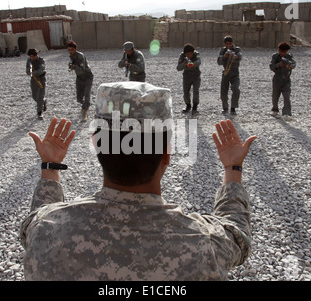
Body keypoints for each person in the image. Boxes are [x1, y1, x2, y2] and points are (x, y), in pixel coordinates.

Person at [20, 81, 257, 281]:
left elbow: (38, 217)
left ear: (95, 145)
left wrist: (50, 167)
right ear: (167, 153)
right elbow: (237, 235)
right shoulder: (205, 242)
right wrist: (232, 168)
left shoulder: (46, 229)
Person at [67, 41, 93, 122]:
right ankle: (85, 105)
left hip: (87, 76)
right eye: (69, 50)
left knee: (86, 94)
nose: (70, 51)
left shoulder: (80, 56)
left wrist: (75, 67)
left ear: (75, 49)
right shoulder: (71, 56)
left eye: (72, 49)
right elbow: (72, 65)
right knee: (79, 98)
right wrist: (71, 66)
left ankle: (85, 112)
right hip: (79, 77)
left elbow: (83, 69)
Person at [269, 42, 296, 121]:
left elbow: (294, 64)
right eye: (282, 52)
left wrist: (290, 66)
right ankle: (275, 109)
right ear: (279, 50)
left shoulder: (289, 56)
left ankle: (286, 113)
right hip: (277, 78)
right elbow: (271, 66)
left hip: (286, 78)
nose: (284, 53)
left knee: (286, 96)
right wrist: (278, 65)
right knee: (275, 95)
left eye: (285, 52)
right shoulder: (275, 56)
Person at [217, 36, 242, 115]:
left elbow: (240, 56)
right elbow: (219, 61)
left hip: (235, 73)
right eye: (227, 44)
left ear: (232, 43)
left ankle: (233, 108)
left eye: (230, 43)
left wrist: (235, 56)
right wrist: (224, 56)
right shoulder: (223, 50)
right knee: (223, 92)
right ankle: (225, 107)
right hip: (226, 72)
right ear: (224, 44)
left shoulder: (237, 49)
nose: (229, 45)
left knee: (236, 89)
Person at [177, 43, 201, 116]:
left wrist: (193, 64)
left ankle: (195, 107)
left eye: (190, 54)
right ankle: (188, 105)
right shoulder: (182, 56)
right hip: (187, 76)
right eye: (187, 54)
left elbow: (199, 61)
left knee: (195, 91)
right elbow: (178, 68)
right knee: (186, 92)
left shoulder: (196, 54)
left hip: (196, 75)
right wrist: (184, 64)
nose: (189, 56)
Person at [26, 48, 47, 120]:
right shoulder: (29, 60)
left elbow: (42, 69)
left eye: (33, 56)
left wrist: (34, 72)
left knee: (40, 96)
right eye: (30, 56)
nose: (32, 58)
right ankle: (43, 102)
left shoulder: (41, 60)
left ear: (36, 55)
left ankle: (39, 112)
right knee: (34, 96)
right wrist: (29, 71)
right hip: (33, 79)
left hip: (41, 79)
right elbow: (27, 71)